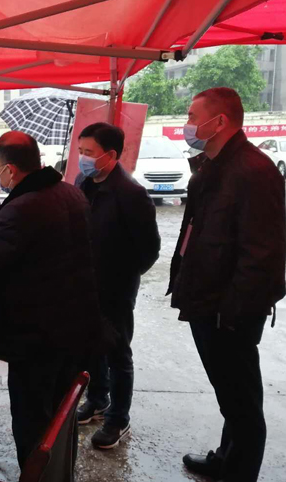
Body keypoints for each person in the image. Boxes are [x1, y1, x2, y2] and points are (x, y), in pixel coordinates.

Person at [0, 131, 108, 469]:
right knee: (61, 419)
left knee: (33, 422)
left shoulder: (22, 208)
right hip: (75, 329)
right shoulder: (70, 193)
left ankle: (36, 475)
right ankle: (60, 473)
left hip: (35, 339)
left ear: (10, 169)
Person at [168, 88, 286, 482]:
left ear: (219, 122)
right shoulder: (215, 166)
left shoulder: (254, 171)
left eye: (191, 116)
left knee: (243, 405)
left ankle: (239, 472)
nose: (187, 124)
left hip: (229, 312)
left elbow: (263, 256)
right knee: (230, 396)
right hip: (207, 302)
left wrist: (233, 314)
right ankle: (225, 457)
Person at [74, 123, 160, 449]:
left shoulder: (131, 193)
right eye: (80, 151)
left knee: (118, 353)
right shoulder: (84, 183)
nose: (83, 158)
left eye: (89, 152)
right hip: (86, 285)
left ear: (110, 155)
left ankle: (118, 419)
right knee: (91, 345)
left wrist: (123, 277)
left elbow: (149, 249)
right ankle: (98, 400)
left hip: (116, 289)